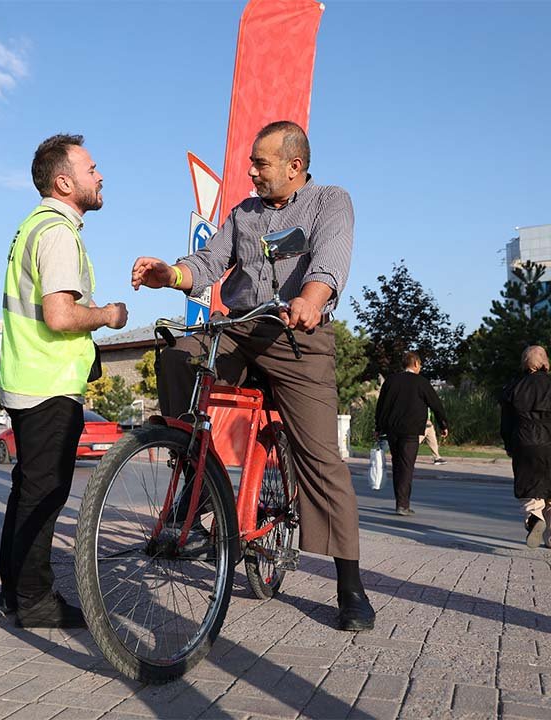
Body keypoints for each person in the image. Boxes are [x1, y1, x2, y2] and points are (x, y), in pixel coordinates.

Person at [131, 120, 374, 631]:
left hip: (296, 335)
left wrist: (312, 298)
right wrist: (170, 275)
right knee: (176, 354)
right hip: (240, 329)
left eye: (260, 163)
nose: (250, 171)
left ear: (294, 166)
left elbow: (330, 259)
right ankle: (193, 482)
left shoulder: (331, 201)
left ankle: (350, 585)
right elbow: (209, 260)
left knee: (320, 457)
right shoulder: (243, 213)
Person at [0, 134, 128, 628]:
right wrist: (109, 315)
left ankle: (14, 593)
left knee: (27, 490)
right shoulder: (56, 232)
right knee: (44, 495)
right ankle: (34, 600)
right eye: (92, 168)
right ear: (65, 181)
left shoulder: (34, 226)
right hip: (47, 381)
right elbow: (60, 314)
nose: (100, 176)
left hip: (28, 376)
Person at [374, 351, 448, 516]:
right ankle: (403, 505)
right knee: (406, 466)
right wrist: (443, 424)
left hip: (392, 429)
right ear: (415, 364)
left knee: (397, 465)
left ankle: (399, 501)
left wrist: (378, 427)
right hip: (411, 430)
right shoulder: (421, 382)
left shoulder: (391, 381)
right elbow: (436, 404)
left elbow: (381, 406)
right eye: (420, 365)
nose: (420, 368)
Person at [500, 345, 551, 549]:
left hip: (525, 441)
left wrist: (509, 445)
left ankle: (534, 516)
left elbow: (506, 424)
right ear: (545, 362)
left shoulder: (513, 388)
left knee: (529, 487)